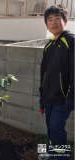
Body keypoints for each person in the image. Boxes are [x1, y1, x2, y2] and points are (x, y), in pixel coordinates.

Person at [39, 5, 74, 160]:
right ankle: (51, 155)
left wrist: (71, 96)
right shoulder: (48, 46)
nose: (53, 22)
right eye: (49, 20)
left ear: (65, 21)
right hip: (48, 98)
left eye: (57, 18)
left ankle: (62, 158)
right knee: (50, 129)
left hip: (62, 99)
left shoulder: (71, 41)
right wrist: (41, 98)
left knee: (56, 129)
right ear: (46, 24)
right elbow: (43, 74)